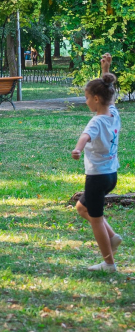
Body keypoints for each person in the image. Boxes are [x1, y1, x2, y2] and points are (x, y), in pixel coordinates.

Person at [71, 66, 122, 272]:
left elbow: (85, 136)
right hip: (111, 175)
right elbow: (110, 93)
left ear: (96, 99)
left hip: (97, 177)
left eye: (87, 97)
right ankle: (113, 237)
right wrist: (105, 71)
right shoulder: (114, 114)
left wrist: (77, 149)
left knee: (96, 218)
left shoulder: (96, 121)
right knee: (82, 208)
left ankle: (109, 264)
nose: (86, 101)